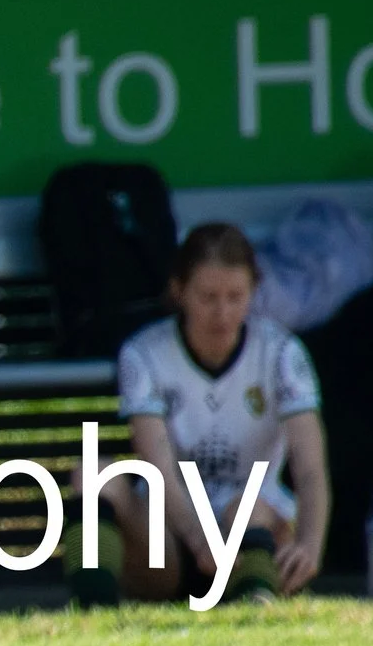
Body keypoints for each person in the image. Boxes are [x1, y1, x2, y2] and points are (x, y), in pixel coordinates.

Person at [67, 222, 330, 607]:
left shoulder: (281, 353)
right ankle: (92, 608)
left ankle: (256, 596)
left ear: (253, 291)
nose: (222, 313)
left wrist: (310, 543)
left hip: (251, 527)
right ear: (179, 291)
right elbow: (156, 466)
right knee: (92, 473)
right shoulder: (144, 353)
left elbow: (309, 467)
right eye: (208, 297)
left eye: (235, 297)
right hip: (170, 536)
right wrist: (197, 537)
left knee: (248, 508)